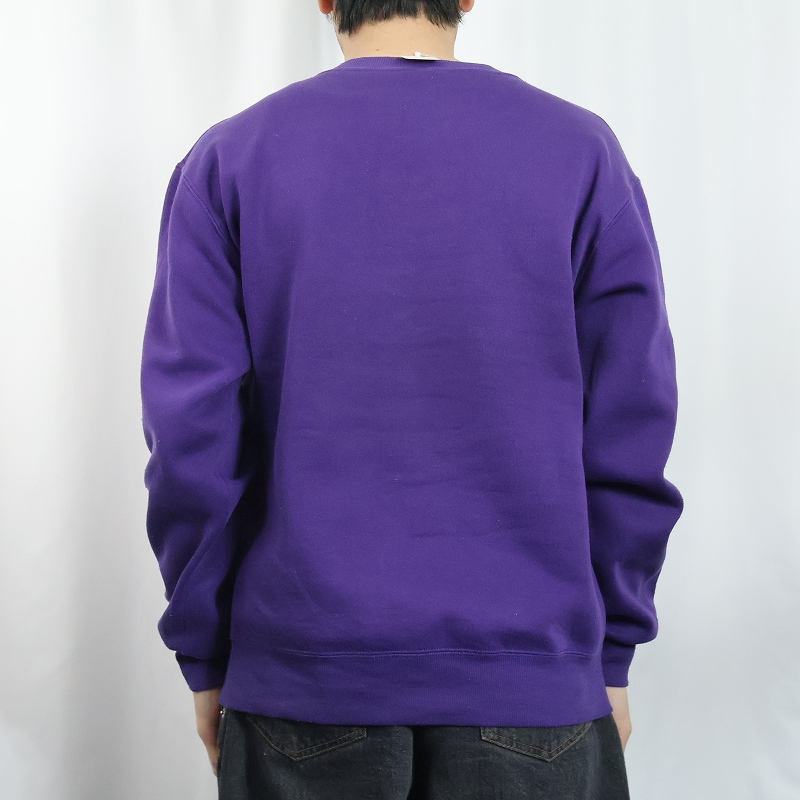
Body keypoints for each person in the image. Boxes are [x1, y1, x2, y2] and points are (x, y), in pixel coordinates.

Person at [140, 1, 684, 797]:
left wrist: (208, 651)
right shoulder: (580, 153)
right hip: (533, 682)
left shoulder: (231, 159)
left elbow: (191, 440)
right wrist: (610, 651)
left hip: (303, 680)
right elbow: (632, 424)